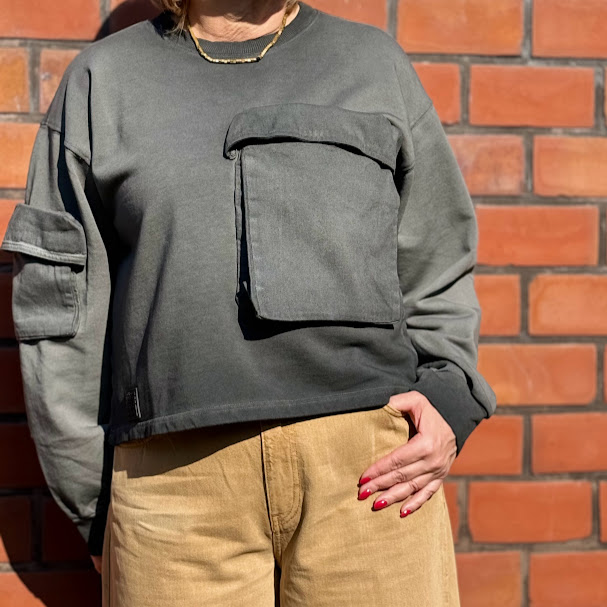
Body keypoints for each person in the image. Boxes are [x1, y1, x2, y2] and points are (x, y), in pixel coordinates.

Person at [0, 0, 497, 604]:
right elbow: (59, 306)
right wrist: (94, 502)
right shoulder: (103, 81)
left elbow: (437, 253)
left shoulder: (372, 64)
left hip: (371, 475)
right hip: (173, 493)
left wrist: (449, 394)